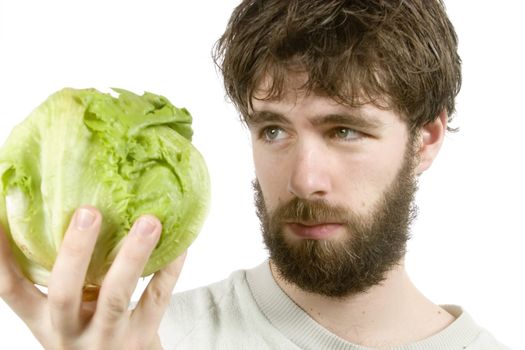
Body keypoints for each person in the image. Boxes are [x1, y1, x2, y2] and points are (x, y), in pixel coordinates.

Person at [0, 0, 511, 349]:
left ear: (427, 139)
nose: (304, 180)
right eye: (273, 130)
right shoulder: (150, 338)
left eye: (344, 131)